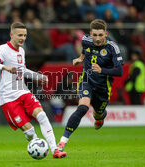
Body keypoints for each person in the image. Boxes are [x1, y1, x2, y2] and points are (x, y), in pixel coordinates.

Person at [0, 22, 67, 158]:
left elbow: (22, 70)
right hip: (8, 98)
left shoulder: (21, 51)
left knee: (42, 115)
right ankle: (34, 143)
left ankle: (55, 150)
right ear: (11, 35)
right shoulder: (3, 49)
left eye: (25, 35)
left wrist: (38, 76)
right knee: (29, 132)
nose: (22, 38)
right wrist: (4, 67)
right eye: (19, 35)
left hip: (22, 91)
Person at [57, 19, 124, 151]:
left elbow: (120, 71)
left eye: (100, 35)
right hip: (86, 81)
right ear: (90, 34)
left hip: (103, 87)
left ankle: (100, 116)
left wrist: (102, 70)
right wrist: (80, 59)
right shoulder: (85, 40)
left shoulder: (112, 47)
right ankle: (62, 143)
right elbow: (85, 50)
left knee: (98, 115)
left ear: (105, 34)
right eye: (95, 35)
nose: (97, 39)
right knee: (82, 108)